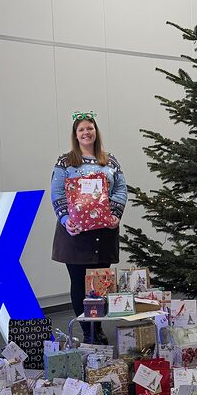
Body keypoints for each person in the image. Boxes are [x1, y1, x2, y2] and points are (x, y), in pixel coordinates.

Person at [51, 111, 127, 344]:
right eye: (82, 129)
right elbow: (57, 193)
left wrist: (115, 215)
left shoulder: (110, 161)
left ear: (96, 132)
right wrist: (66, 220)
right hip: (76, 236)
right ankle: (86, 330)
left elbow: (121, 190)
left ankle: (98, 328)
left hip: (103, 234)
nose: (86, 132)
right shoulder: (65, 163)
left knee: (99, 283)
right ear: (76, 135)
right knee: (78, 284)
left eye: (90, 128)